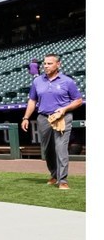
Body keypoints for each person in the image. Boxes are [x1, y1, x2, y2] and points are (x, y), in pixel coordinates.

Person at [22, 53, 83, 191]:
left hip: (62, 117)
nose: (46, 66)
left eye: (49, 63)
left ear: (58, 64)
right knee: (48, 150)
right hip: (43, 117)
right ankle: (54, 175)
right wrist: (26, 117)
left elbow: (78, 101)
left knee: (61, 148)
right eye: (44, 63)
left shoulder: (67, 81)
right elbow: (32, 100)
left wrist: (64, 109)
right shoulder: (37, 81)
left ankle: (63, 180)